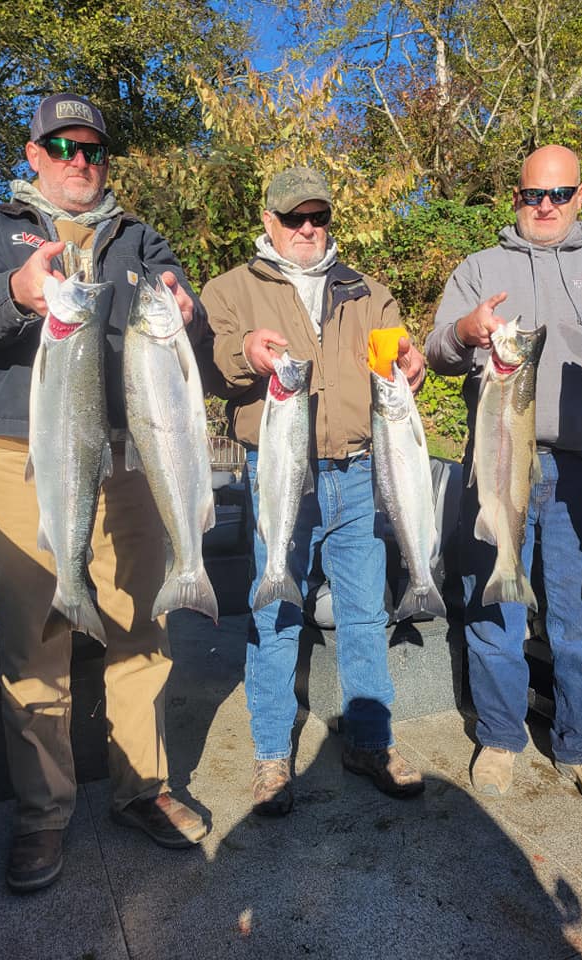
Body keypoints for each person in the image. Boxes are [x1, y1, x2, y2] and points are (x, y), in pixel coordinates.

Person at [0, 93, 212, 892]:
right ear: (33, 154)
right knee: (35, 640)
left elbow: (184, 335)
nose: (79, 161)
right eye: (62, 146)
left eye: (93, 150)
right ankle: (42, 816)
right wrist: (15, 294)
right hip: (28, 457)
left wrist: (192, 316)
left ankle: (145, 788)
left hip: (134, 460)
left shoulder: (142, 238)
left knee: (142, 624)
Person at [425, 144, 582, 815]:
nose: (545, 207)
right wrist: (463, 331)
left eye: (559, 195)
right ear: (516, 197)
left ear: (580, 195)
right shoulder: (480, 268)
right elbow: (435, 353)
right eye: (533, 194)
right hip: (500, 465)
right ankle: (502, 738)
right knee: (495, 612)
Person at [201, 167, 428, 815]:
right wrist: (246, 350)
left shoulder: (367, 292)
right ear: (269, 221)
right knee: (274, 612)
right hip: (278, 473)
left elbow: (400, 356)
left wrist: (409, 364)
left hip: (358, 474)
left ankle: (370, 741)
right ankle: (273, 756)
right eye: (294, 217)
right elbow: (209, 364)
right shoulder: (232, 288)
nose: (307, 228)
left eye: (318, 217)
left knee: (365, 612)